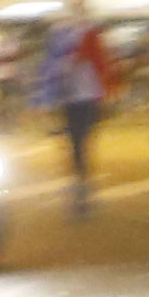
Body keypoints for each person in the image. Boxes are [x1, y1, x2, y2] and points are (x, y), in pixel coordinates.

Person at [37, 19, 113, 216]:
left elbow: (98, 68)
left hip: (85, 102)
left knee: (80, 144)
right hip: (75, 103)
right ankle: (81, 185)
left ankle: (82, 185)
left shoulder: (81, 54)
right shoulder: (65, 59)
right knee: (78, 145)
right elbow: (55, 80)